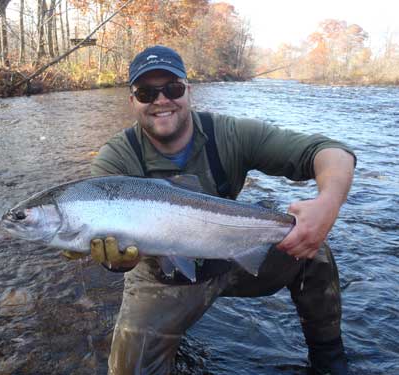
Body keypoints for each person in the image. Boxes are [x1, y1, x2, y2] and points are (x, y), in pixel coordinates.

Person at [65, 45, 356, 375]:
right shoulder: (115, 160)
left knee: (312, 249)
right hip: (164, 277)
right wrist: (116, 262)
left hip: (234, 253)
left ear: (188, 91)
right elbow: (113, 252)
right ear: (132, 101)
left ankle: (328, 355)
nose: (161, 101)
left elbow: (331, 151)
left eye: (172, 89)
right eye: (146, 93)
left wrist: (328, 204)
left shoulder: (229, 134)